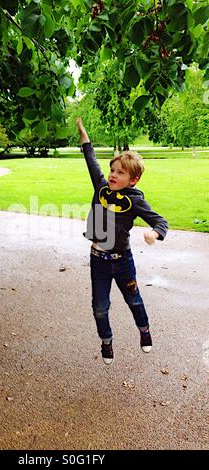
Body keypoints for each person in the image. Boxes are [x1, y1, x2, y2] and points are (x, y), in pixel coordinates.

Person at [76, 118, 168, 365]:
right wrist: (84, 136)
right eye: (112, 171)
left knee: (133, 299)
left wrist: (154, 234)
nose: (113, 175)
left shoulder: (135, 200)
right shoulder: (102, 188)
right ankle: (106, 341)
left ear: (133, 180)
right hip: (98, 261)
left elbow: (160, 221)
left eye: (120, 173)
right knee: (100, 307)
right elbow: (91, 161)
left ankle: (144, 329)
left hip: (122, 262)